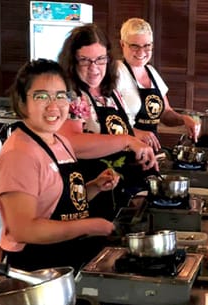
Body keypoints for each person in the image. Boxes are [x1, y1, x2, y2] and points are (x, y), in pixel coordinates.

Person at [0, 59, 120, 272]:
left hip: (69, 256)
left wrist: (95, 186)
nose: (53, 106)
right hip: (37, 265)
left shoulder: (60, 141)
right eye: (41, 96)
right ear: (22, 102)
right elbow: (23, 229)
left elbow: (65, 203)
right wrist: (90, 225)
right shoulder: (19, 153)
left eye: (61, 96)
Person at [57, 24, 156, 217]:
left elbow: (117, 131)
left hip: (119, 192)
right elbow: (71, 143)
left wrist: (142, 147)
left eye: (100, 60)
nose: (94, 68)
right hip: (89, 194)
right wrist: (127, 141)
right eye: (85, 60)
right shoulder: (70, 95)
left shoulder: (110, 93)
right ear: (72, 61)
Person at [116, 18, 199, 150]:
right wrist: (135, 133)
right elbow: (106, 122)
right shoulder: (116, 73)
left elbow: (165, 113)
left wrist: (183, 119)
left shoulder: (151, 72)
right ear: (122, 45)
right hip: (124, 151)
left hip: (149, 151)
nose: (142, 52)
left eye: (147, 46)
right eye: (134, 46)